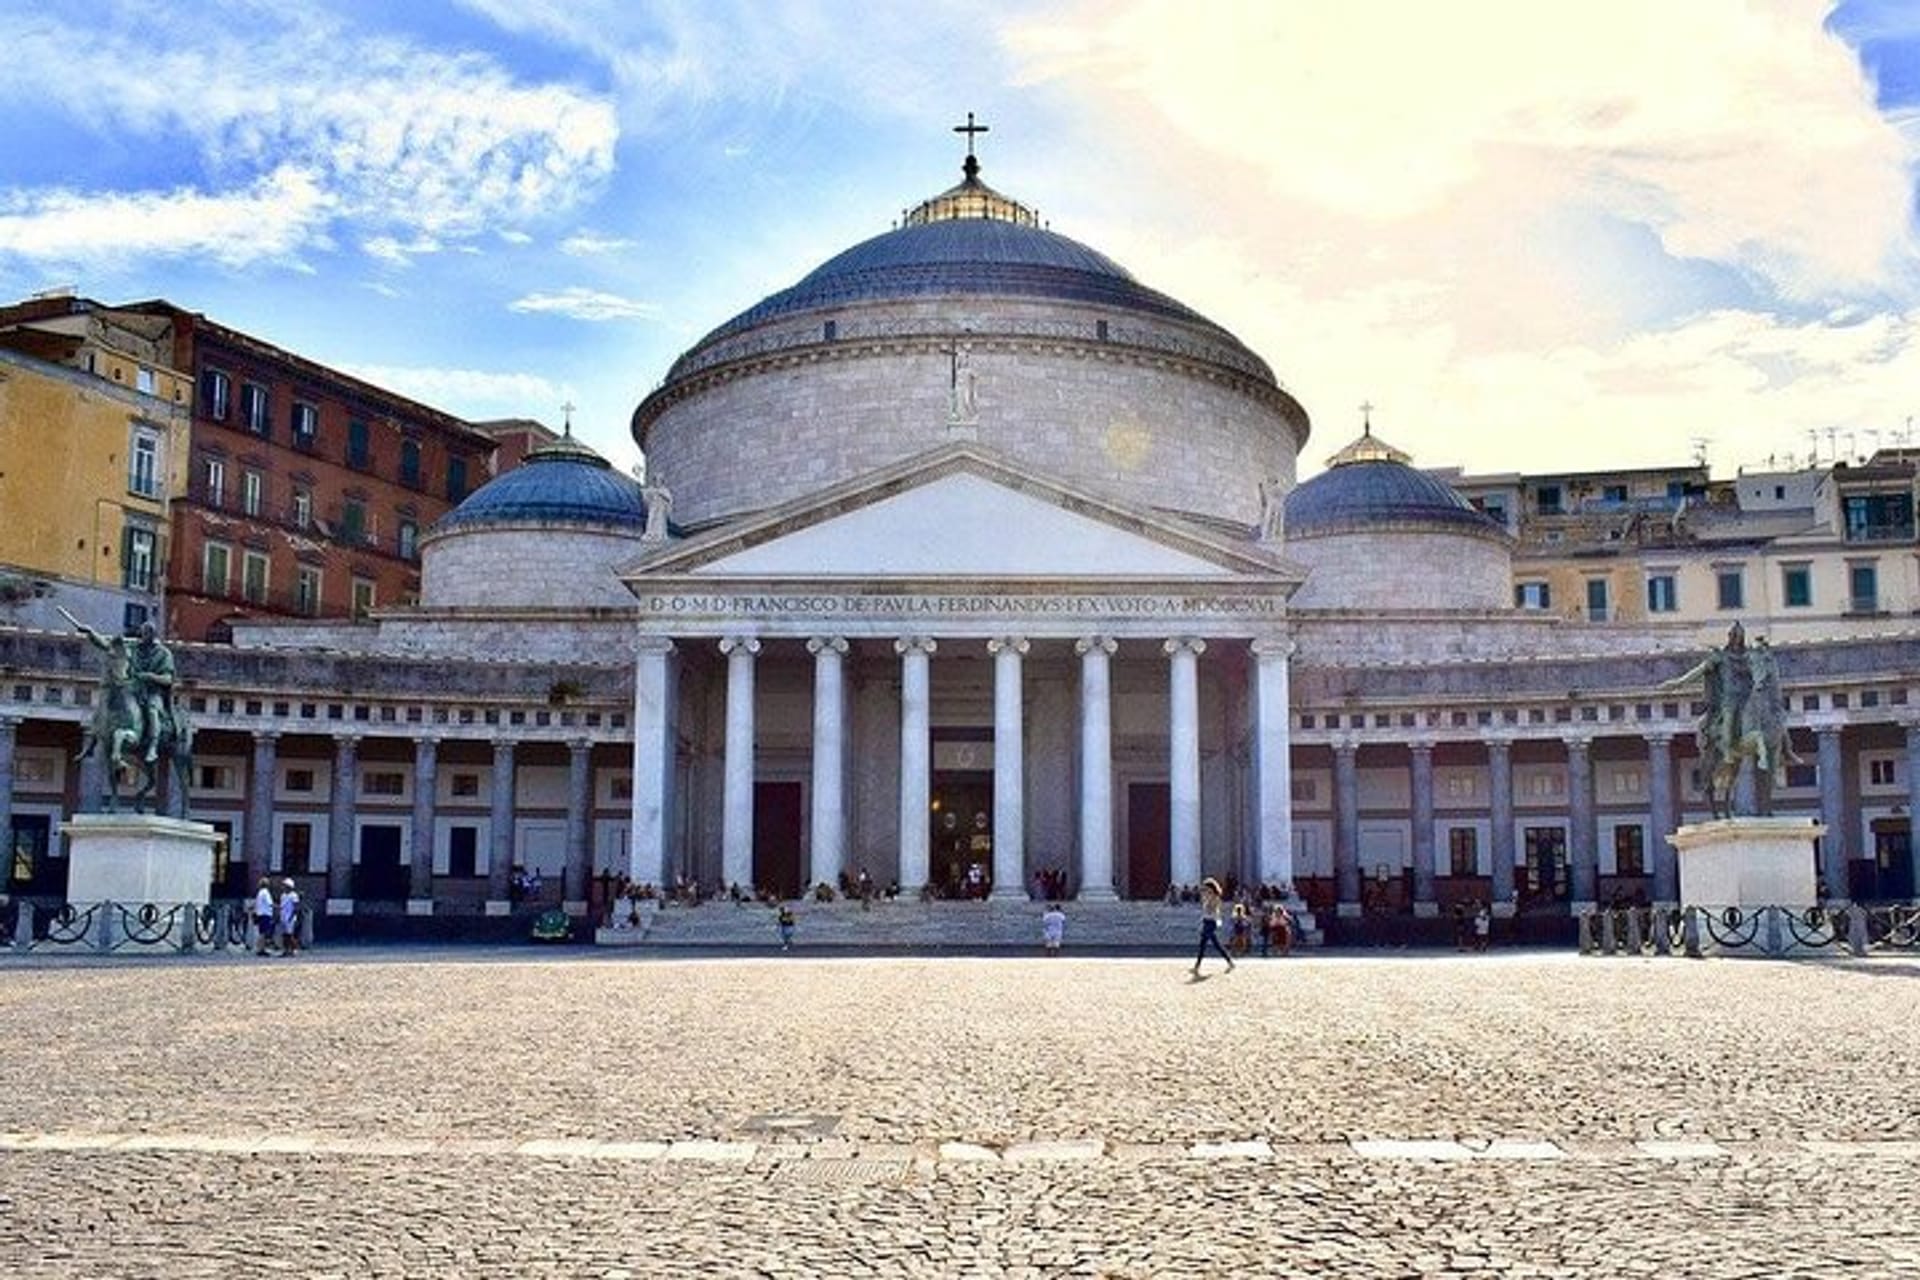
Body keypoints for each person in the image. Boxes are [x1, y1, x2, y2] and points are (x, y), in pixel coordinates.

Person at [1193, 877, 1234, 975]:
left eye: (1206, 888)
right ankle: (1229, 961)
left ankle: (1197, 965)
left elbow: (1211, 909)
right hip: (1206, 921)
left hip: (1212, 922)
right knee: (1209, 944)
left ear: (1211, 888)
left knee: (1208, 943)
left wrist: (1207, 900)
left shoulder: (1215, 897)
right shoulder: (1207, 897)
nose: (1205, 890)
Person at [253, 878, 276, 957]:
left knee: (261, 932)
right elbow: (270, 903)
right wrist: (279, 907)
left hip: (260, 914)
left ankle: (260, 948)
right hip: (265, 914)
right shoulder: (266, 893)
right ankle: (261, 949)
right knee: (264, 933)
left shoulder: (259, 893)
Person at [278, 878, 301, 956]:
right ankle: (285, 950)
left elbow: (296, 907)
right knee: (284, 935)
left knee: (290, 935)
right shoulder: (283, 895)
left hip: (290, 918)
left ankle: (294, 949)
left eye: (285, 886)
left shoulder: (294, 895)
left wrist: (292, 917)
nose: (283, 887)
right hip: (283, 917)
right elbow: (282, 906)